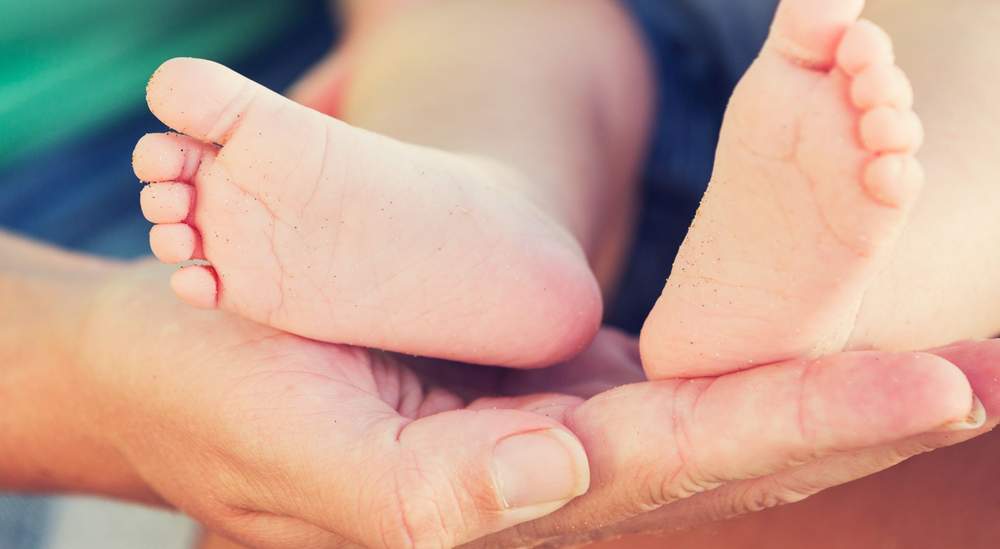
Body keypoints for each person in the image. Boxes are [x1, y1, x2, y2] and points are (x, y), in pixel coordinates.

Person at [2, 1, 998, 549]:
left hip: (303, 136)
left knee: (484, 26)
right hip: (134, 238)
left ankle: (486, 207)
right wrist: (83, 358)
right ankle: (862, 285)